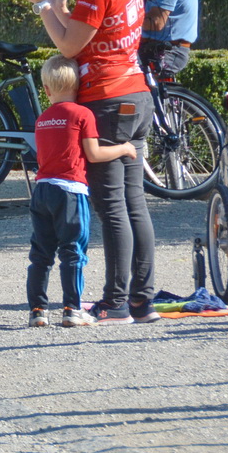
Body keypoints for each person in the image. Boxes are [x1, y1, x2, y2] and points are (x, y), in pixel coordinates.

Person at [18, 0, 154, 324]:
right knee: (134, 202)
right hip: (136, 93)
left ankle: (115, 302)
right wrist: (60, 7)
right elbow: (88, 36)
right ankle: (140, 299)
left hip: (107, 98)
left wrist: (42, 4)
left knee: (111, 204)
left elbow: (70, 46)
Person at [26, 55, 138, 329]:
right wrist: (125, 148)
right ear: (78, 86)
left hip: (42, 191)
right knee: (72, 252)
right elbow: (94, 153)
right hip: (70, 191)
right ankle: (71, 309)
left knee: (41, 254)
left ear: (47, 89)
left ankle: (38, 310)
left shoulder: (42, 119)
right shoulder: (82, 114)